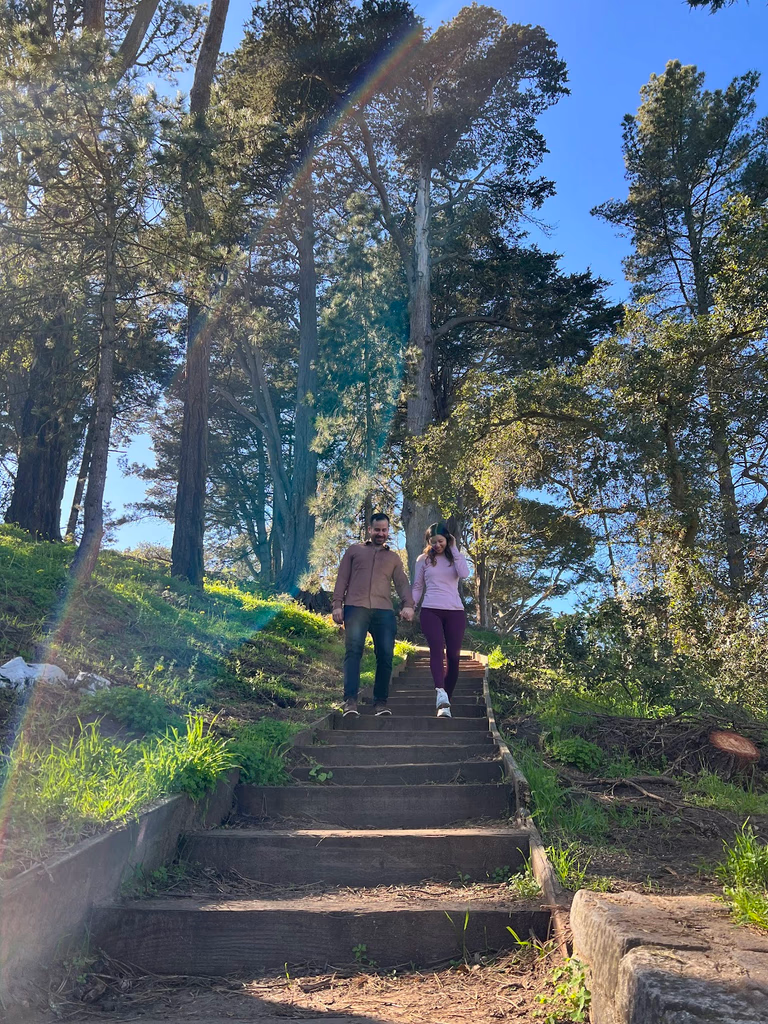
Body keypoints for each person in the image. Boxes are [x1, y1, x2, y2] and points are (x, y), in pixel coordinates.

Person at [332, 513, 414, 717]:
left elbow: (402, 583)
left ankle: (380, 703)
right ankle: (350, 701)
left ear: (388, 531)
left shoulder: (393, 558)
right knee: (353, 653)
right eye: (377, 529)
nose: (381, 533)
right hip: (355, 607)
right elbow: (342, 578)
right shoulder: (354, 551)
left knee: (385, 656)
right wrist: (337, 605)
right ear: (370, 530)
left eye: (384, 530)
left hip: (383, 611)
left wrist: (408, 605)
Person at [412, 522, 471, 718]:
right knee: (436, 649)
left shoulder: (455, 557)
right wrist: (411, 606)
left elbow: (464, 574)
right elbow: (418, 586)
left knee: (453, 657)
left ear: (447, 539)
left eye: (441, 541)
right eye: (433, 542)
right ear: (428, 542)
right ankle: (440, 691)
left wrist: (454, 548)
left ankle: (446, 703)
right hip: (430, 610)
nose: (437, 545)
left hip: (455, 612)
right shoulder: (423, 560)